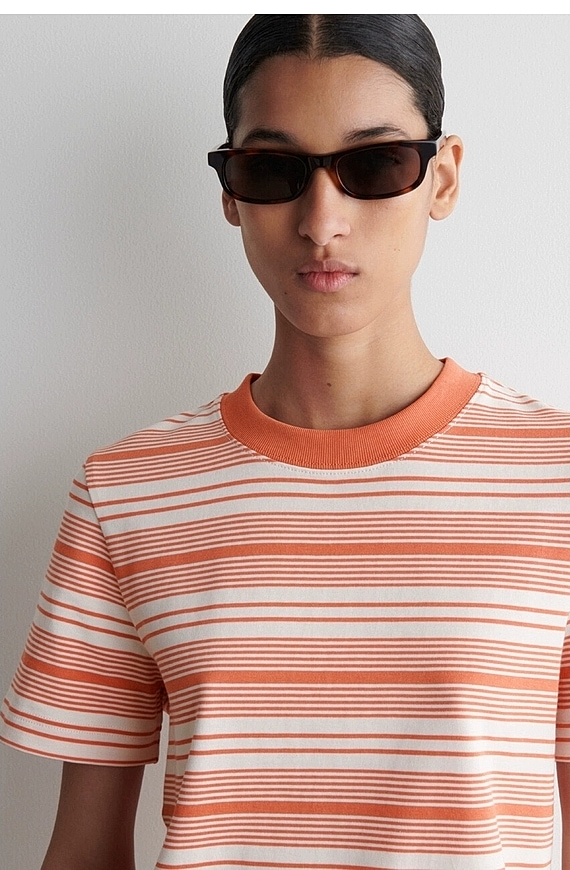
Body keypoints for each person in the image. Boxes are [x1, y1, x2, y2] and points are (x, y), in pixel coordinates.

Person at [1, 14, 569, 870]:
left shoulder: (556, 479)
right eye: (273, 170)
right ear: (230, 192)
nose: (321, 221)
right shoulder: (127, 492)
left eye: (374, 165)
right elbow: (83, 850)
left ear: (443, 177)